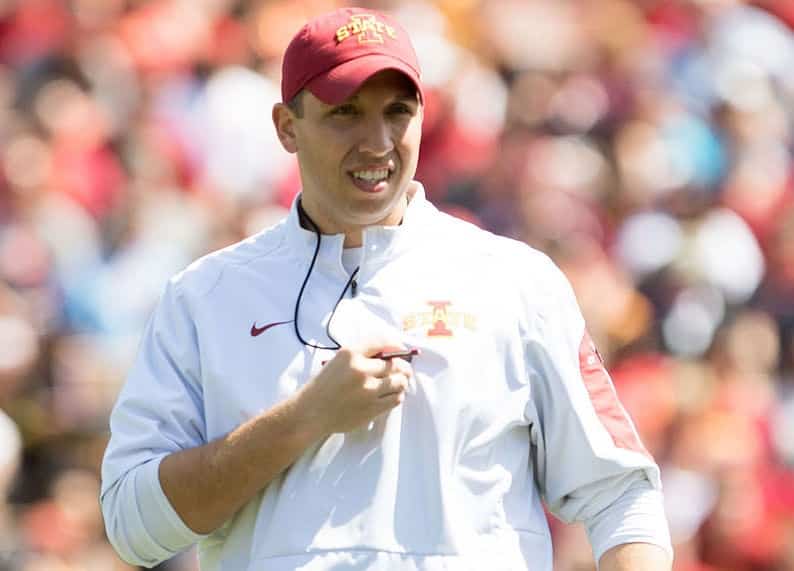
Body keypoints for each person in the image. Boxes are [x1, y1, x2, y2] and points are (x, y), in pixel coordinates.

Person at [100, 7, 673, 571]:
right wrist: (305, 419)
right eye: (345, 113)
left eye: (398, 112)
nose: (377, 142)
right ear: (286, 127)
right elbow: (133, 527)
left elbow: (621, 495)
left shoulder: (515, 281)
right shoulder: (205, 296)